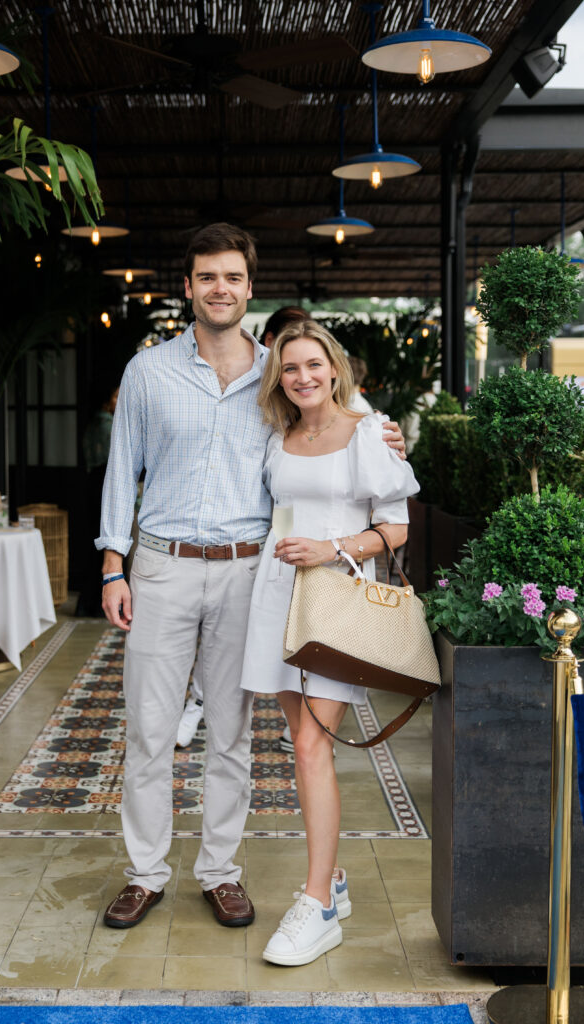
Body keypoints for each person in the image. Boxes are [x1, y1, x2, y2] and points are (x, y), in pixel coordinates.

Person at [96, 223, 406, 931]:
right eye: (207, 277)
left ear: (248, 287)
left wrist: (380, 429)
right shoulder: (148, 371)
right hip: (162, 567)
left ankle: (219, 872)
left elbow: (328, 416)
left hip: (247, 574)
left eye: (232, 277)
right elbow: (122, 472)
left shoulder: (276, 373)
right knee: (149, 730)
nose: (219, 289)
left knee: (231, 733)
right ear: (187, 287)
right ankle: (145, 873)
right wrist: (113, 566)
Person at [240, 319, 419, 966]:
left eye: (314, 364)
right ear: (278, 377)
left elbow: (394, 528)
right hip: (277, 595)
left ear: (335, 368)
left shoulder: (368, 431)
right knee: (300, 742)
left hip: (335, 600)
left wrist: (331, 548)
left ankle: (316, 904)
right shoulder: (279, 434)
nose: (303, 376)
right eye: (290, 368)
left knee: (314, 742)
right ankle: (332, 880)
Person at [175, 304, 309, 753]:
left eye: (309, 360)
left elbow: (352, 417)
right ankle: (196, 703)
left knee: (281, 637)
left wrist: (380, 433)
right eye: (285, 356)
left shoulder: (301, 398)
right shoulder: (255, 385)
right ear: (267, 345)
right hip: (245, 542)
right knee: (225, 647)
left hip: (294, 541)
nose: (297, 371)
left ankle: (299, 714)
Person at [75, 379, 120, 617]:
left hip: (93, 483)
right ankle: (96, 603)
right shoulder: (108, 426)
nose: (119, 401)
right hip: (104, 482)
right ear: (106, 400)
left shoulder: (93, 423)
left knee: (94, 540)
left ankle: (87, 602)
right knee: (103, 541)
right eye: (115, 397)